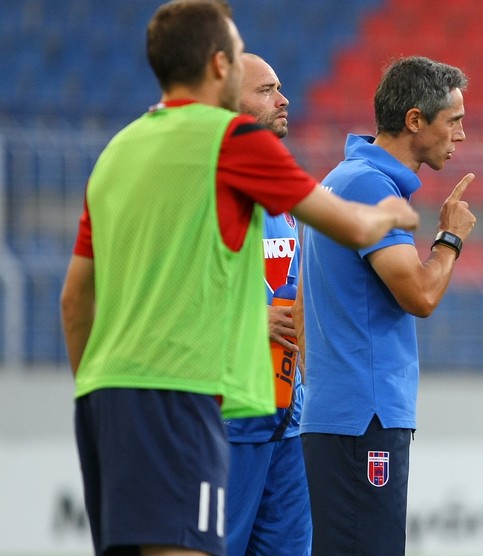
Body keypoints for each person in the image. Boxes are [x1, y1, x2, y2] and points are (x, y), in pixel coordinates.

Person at [59, 1, 418, 554]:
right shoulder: (229, 140)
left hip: (120, 399)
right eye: (242, 56)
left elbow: (75, 301)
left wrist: (97, 397)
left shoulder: (118, 151)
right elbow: (346, 222)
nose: (281, 98)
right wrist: (387, 213)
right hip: (191, 400)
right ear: (219, 64)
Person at [299, 55, 476, 556]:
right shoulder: (370, 186)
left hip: (340, 412)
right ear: (415, 120)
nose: (461, 135)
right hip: (364, 417)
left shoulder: (343, 177)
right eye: (453, 121)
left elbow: (301, 311)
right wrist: (450, 238)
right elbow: (420, 295)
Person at [224, 52, 311, 556]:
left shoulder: (282, 190)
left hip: (286, 423)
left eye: (279, 88)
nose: (283, 100)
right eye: (266, 90)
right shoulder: (200, 188)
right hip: (225, 425)